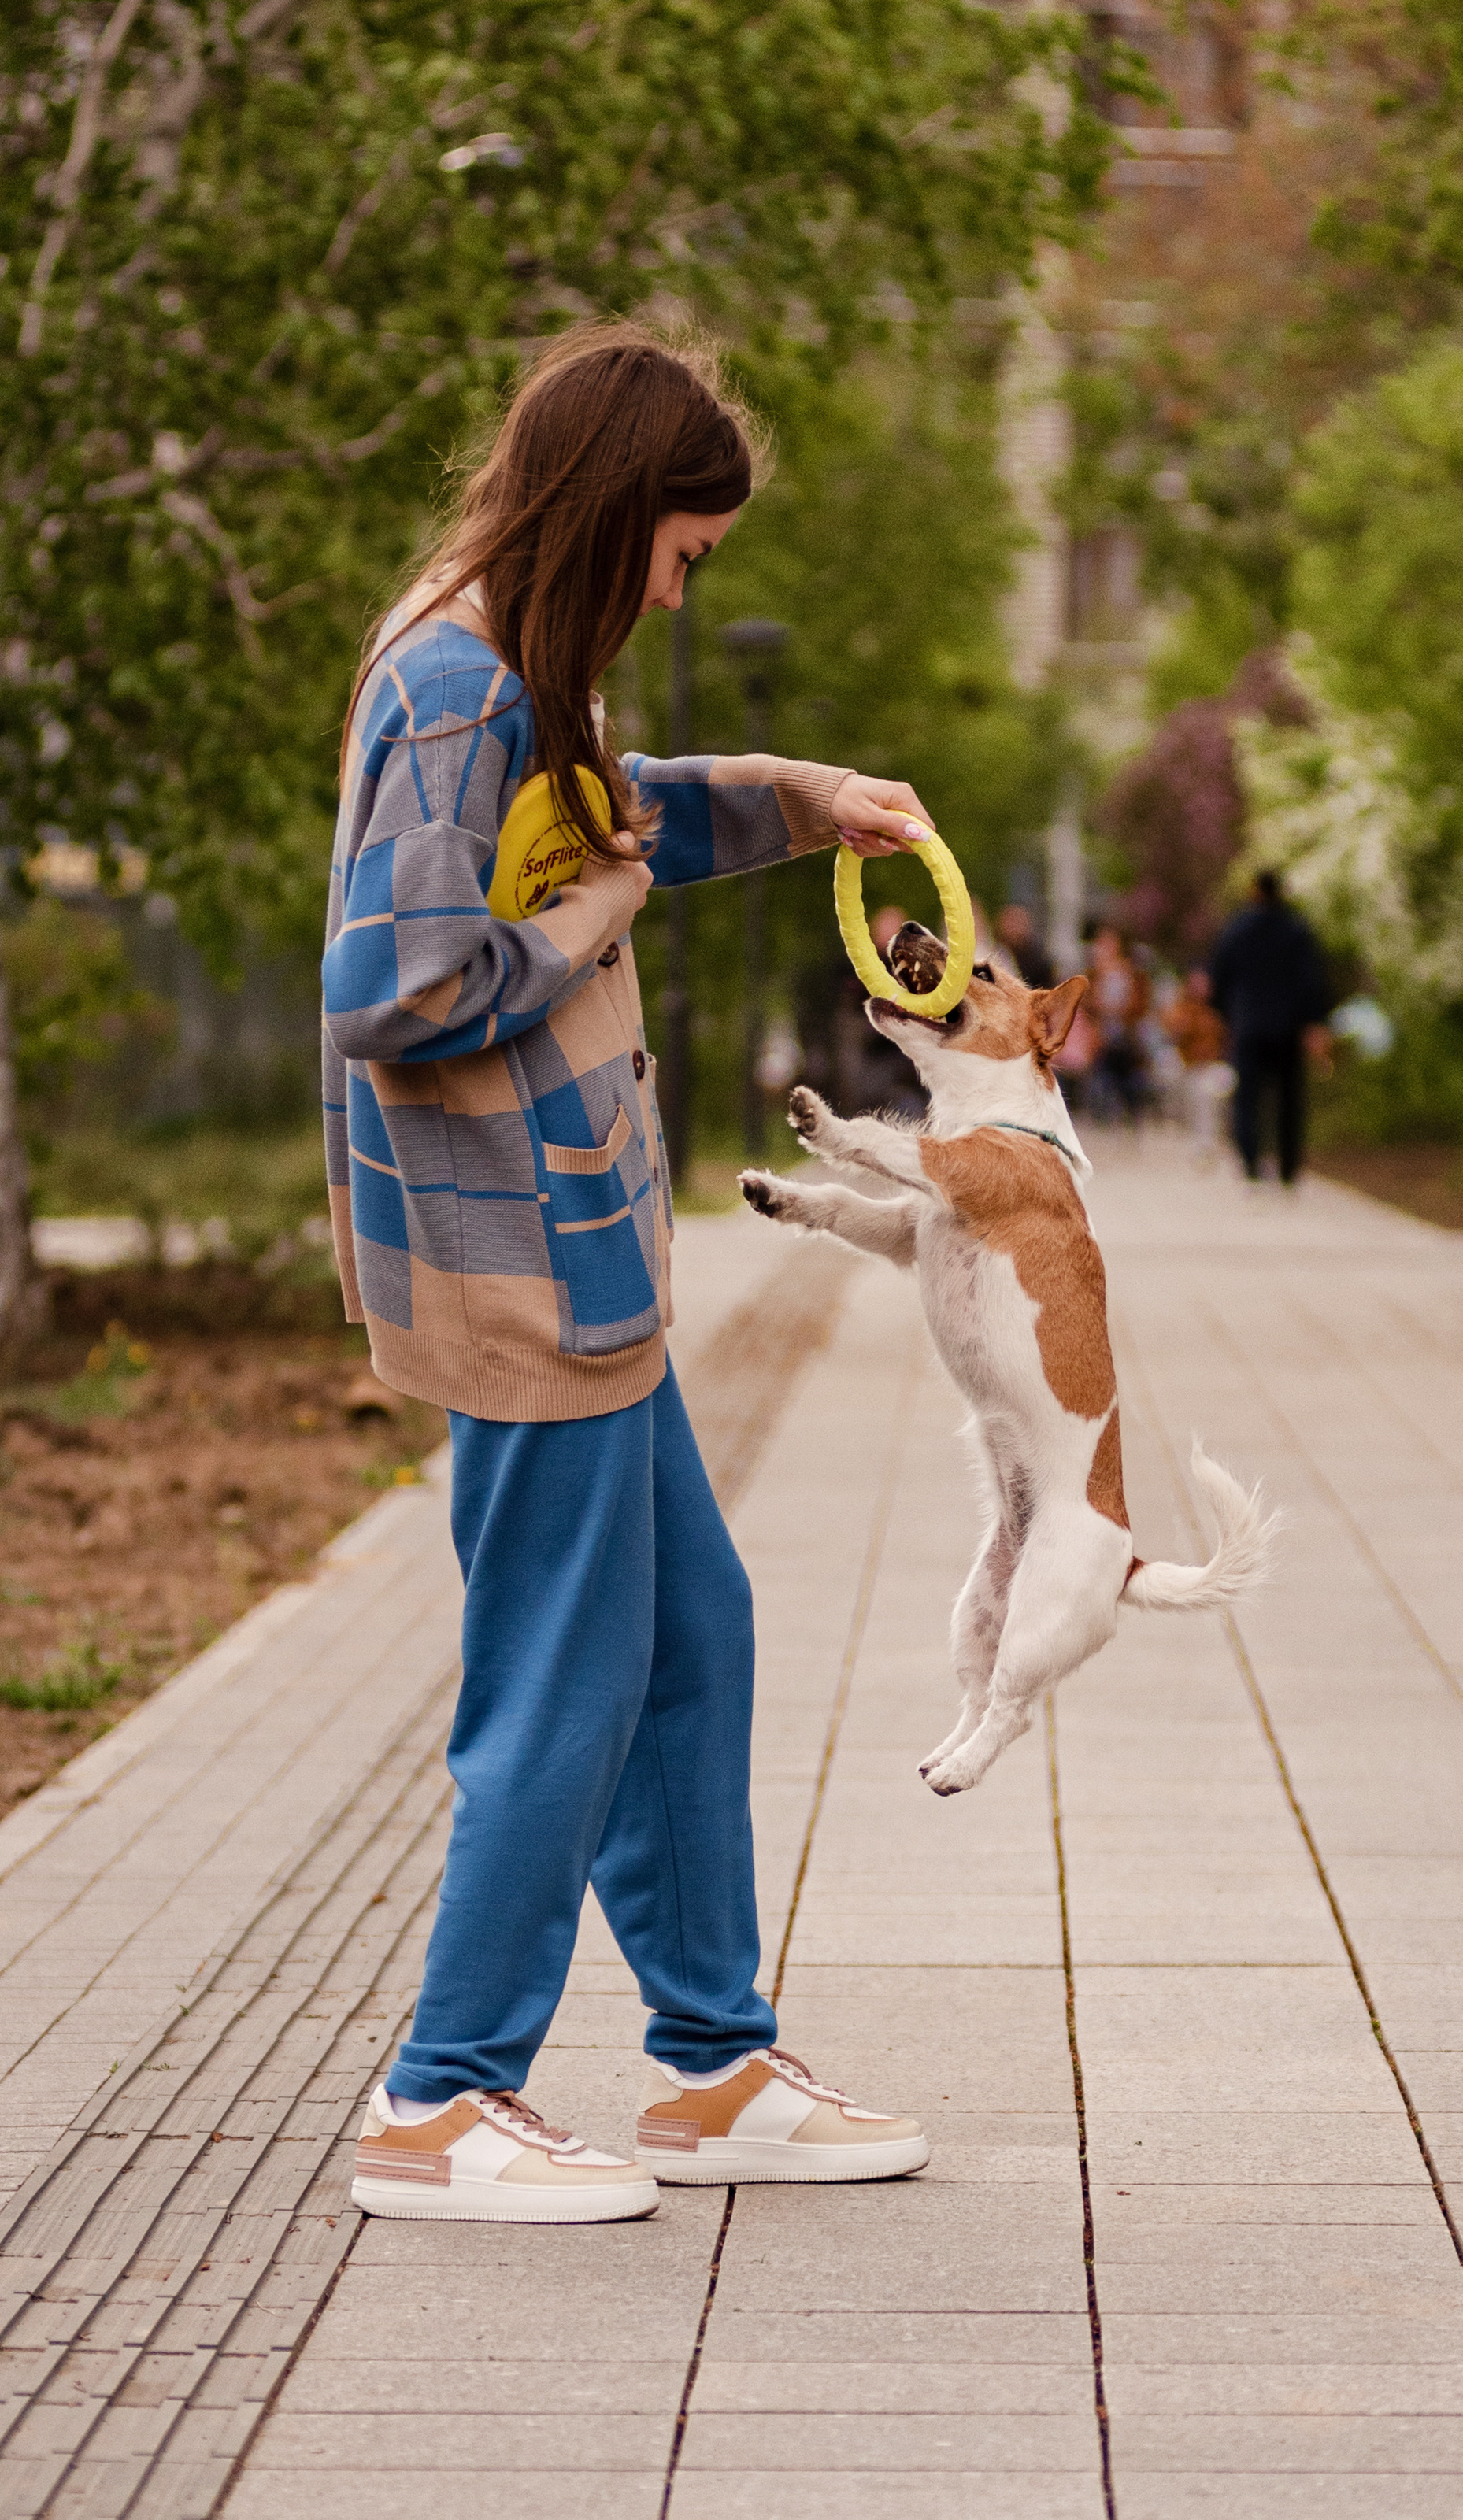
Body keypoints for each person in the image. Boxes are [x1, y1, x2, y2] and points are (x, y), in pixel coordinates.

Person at [323, 319, 932, 2224]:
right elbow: (395, 986)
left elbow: (611, 810)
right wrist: (592, 918)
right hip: (517, 1263)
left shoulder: (509, 663)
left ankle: (711, 2062)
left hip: (574, 1254)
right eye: (681, 556)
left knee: (690, 1638)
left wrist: (795, 792)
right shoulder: (457, 681)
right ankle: (443, 2099)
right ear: (612, 518)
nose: (680, 589)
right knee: (563, 1674)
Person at [1206, 869, 1332, 1186]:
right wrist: (1313, 1021)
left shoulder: (1237, 930)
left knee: (1247, 1099)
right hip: (1288, 1028)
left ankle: (1251, 1165)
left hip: (1248, 1026)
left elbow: (1218, 979)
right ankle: (1289, 1169)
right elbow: (1311, 981)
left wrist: (1227, 1014)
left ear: (1254, 892)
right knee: (1289, 1099)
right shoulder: (1296, 930)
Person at [1161, 967, 1234, 1164]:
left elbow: (1224, 1046)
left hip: (1214, 1068)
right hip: (1189, 1069)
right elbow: (1172, 1038)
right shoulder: (1181, 1010)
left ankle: (1211, 1142)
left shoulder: (1218, 1013)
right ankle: (1197, 1139)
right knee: (1194, 1085)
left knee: (1213, 1087)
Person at [1086, 923, 1150, 1125]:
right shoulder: (1093, 974)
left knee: (1128, 1070)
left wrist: (1116, 1009)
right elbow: (1088, 1005)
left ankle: (1131, 1110)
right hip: (1101, 1035)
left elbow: (1139, 1005)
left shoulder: (1132, 974)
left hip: (1126, 1034)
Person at [993, 900, 1054, 993]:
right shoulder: (993, 951)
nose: (1012, 927)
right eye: (1009, 921)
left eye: (1017, 921)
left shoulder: (1038, 962)